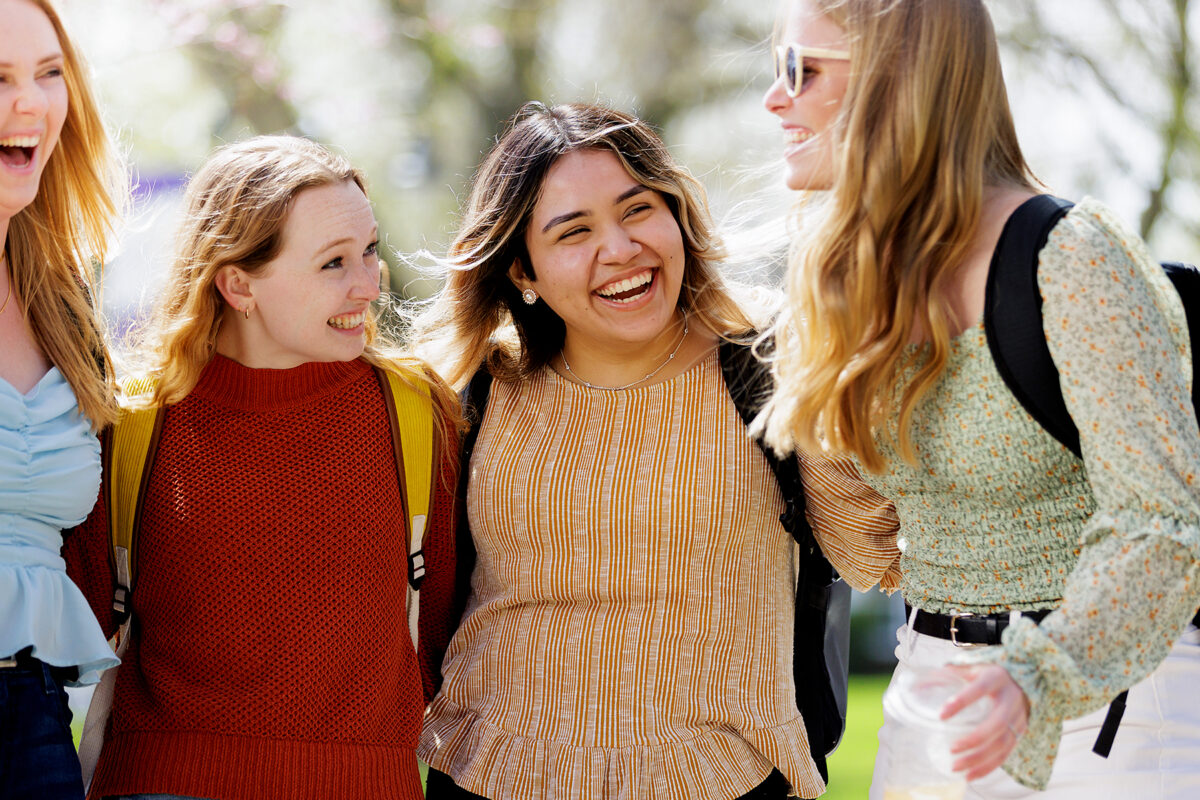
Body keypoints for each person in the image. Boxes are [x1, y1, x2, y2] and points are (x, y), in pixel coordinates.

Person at [759, 1, 1200, 797]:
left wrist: (1039, 676)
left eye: (802, 69)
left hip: (1107, 705)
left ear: (898, 79)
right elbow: (869, 542)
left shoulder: (1072, 257)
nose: (774, 99)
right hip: (928, 686)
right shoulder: (846, 283)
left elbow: (1162, 523)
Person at [409, 101, 899, 800]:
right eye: (573, 232)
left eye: (637, 210)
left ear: (676, 215)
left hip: (724, 779)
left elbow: (871, 552)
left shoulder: (771, 356)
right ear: (523, 270)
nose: (620, 249)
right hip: (494, 777)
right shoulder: (473, 389)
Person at [61, 135, 459, 800]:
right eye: (334, 263)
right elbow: (73, 619)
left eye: (369, 250)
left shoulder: (416, 413)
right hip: (164, 787)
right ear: (238, 284)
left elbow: (443, 636)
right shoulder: (133, 424)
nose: (369, 283)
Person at [1, 0, 128, 797]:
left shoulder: (61, 299)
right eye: (0, 77)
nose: (32, 103)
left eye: (50, 74)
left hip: (33, 714)